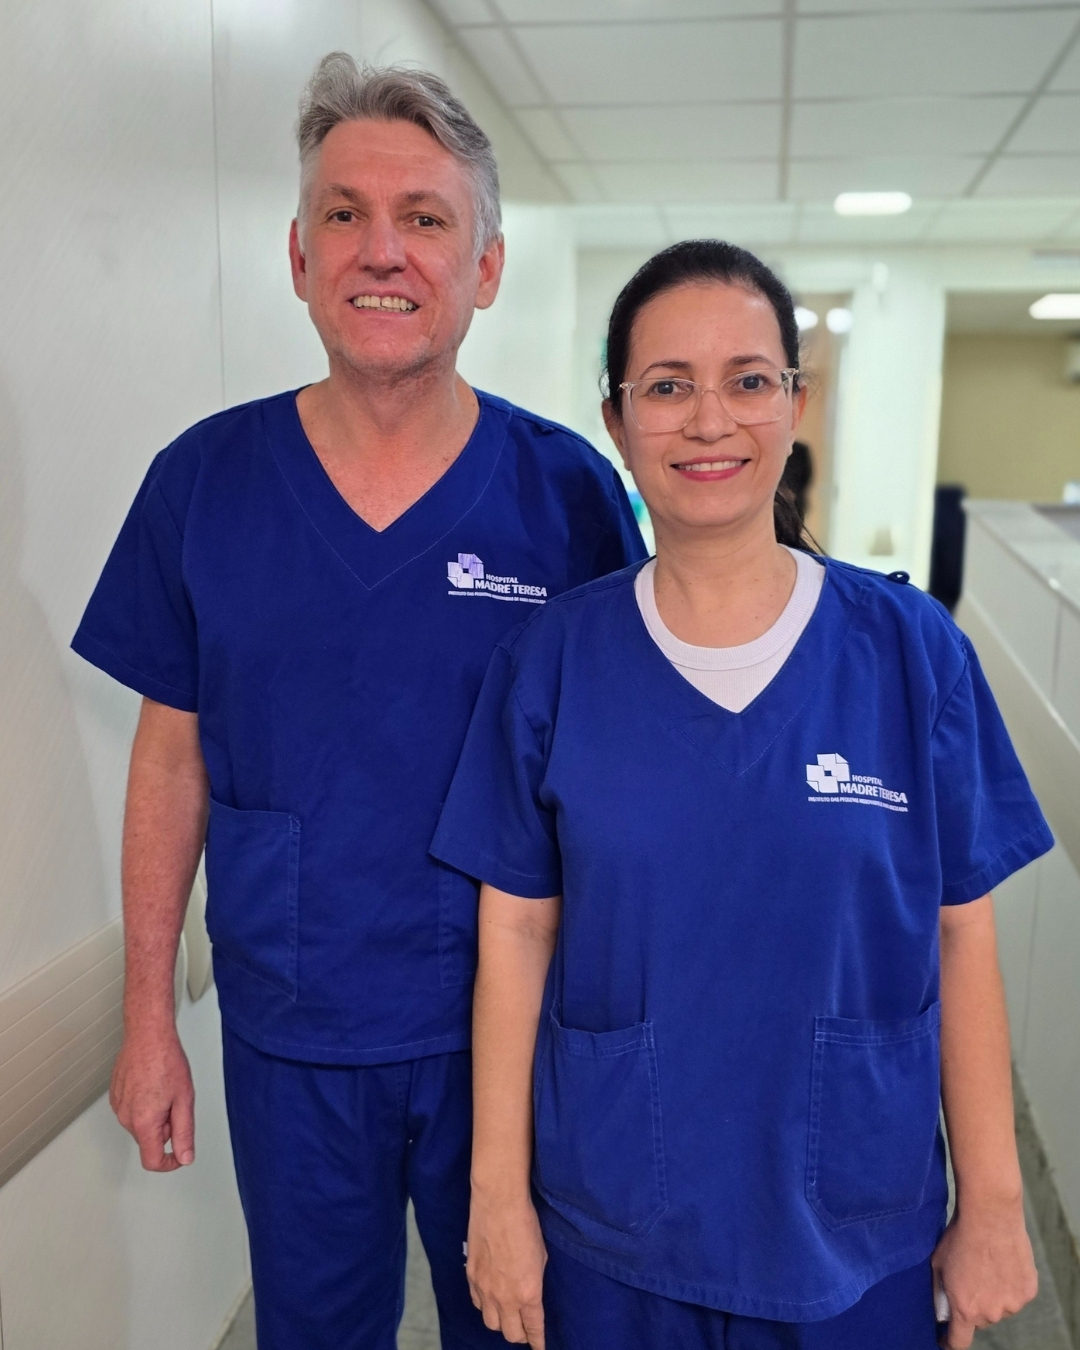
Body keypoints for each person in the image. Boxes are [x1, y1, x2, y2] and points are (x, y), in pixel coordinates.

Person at [71, 54, 644, 1350]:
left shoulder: (569, 497)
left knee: (525, 1326)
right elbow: (170, 761)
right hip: (296, 1033)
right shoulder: (203, 485)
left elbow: (629, 773)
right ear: (297, 255)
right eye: (344, 214)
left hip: (512, 1032)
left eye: (425, 218)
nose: (381, 250)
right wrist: (148, 1018)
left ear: (486, 267)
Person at [431, 240, 1052, 1350]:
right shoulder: (552, 661)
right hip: (619, 1229)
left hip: (855, 1231)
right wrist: (496, 1196)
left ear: (794, 404)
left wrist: (996, 1201)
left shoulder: (911, 654)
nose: (709, 420)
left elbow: (962, 934)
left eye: (749, 380)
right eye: (668, 386)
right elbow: (516, 933)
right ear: (618, 422)